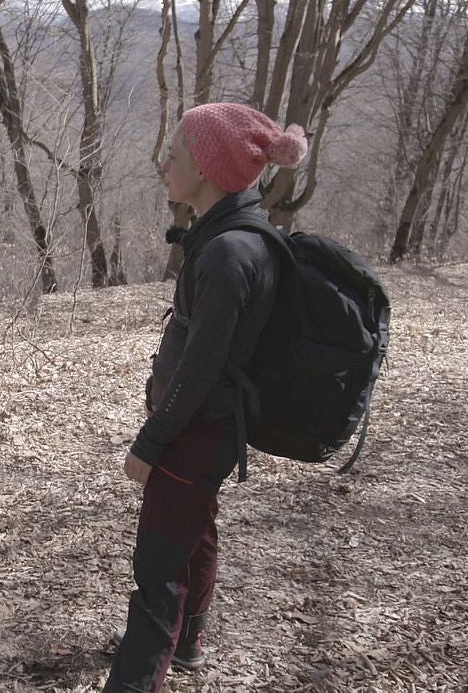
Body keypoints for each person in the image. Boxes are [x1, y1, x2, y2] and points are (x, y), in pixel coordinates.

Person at [105, 103, 308, 692]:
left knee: (157, 573)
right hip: (203, 428)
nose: (164, 162)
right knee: (195, 532)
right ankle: (189, 640)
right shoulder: (224, 236)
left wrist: (151, 442)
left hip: (195, 433)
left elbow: (200, 371)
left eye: (176, 153)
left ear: (210, 169)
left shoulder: (228, 253)